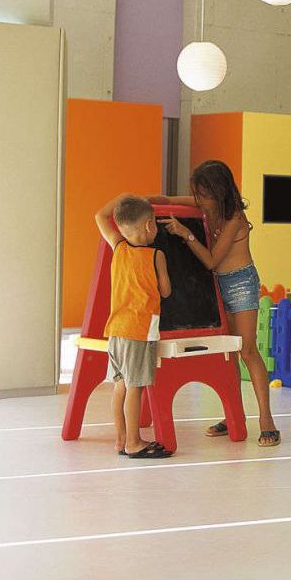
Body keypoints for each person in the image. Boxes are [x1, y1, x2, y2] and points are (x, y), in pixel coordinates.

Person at [152, 160, 281, 447]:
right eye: (196, 194)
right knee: (228, 353)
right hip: (217, 285)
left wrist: (185, 234)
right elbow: (168, 200)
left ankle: (267, 420)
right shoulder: (205, 207)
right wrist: (140, 202)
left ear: (218, 192)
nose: (198, 200)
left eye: (203, 194)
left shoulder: (234, 218)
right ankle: (233, 415)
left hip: (240, 283)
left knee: (247, 350)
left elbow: (211, 261)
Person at [94, 194, 173, 459]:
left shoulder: (118, 246)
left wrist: (122, 196)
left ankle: (121, 439)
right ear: (150, 225)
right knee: (135, 387)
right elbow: (166, 291)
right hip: (139, 331)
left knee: (121, 386)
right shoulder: (156, 255)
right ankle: (134, 442)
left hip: (116, 330)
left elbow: (100, 216)